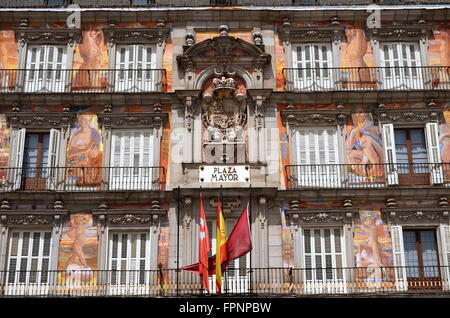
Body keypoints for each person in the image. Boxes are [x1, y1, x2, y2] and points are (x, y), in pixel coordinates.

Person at [346, 111, 383, 180]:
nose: (357, 115)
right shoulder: (353, 129)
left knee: (365, 139)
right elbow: (348, 147)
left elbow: (380, 141)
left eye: (360, 112)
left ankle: (376, 168)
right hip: (364, 153)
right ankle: (361, 174)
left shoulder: (372, 125)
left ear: (366, 115)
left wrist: (363, 132)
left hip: (375, 151)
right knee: (348, 154)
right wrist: (352, 135)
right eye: (356, 113)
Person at [67, 115, 102, 187]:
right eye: (84, 120)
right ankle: (81, 180)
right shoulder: (76, 136)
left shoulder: (94, 133)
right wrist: (85, 149)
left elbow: (95, 149)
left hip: (91, 157)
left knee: (96, 157)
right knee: (78, 160)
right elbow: (70, 152)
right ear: (80, 122)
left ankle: (89, 181)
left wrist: (82, 150)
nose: (86, 122)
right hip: (78, 158)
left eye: (88, 120)